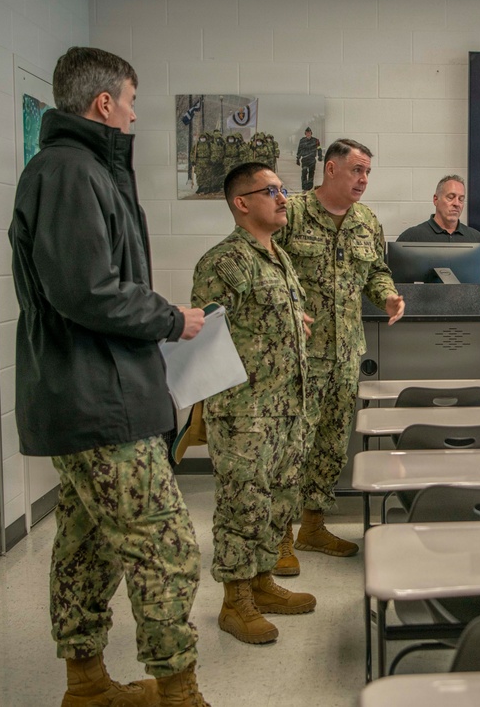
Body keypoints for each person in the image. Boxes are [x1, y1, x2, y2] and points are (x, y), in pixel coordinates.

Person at [8, 47, 210, 706]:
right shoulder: (71, 171)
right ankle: (179, 693)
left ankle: (87, 685)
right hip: (96, 395)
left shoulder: (77, 167)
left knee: (87, 545)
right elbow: (86, 290)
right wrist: (168, 318)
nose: (133, 114)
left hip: (90, 391)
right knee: (164, 546)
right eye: (130, 101)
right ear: (104, 103)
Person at [191, 162, 317, 644]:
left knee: (277, 501)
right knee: (242, 505)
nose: (284, 198)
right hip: (245, 411)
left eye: (283, 189)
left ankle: (263, 583)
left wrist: (294, 322)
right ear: (241, 203)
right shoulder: (225, 262)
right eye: (271, 191)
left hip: (286, 406)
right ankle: (235, 602)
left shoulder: (276, 257)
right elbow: (206, 339)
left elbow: (262, 320)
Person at [276, 139, 405, 564]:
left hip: (345, 354)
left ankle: (312, 527)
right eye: (356, 170)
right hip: (297, 356)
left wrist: (387, 296)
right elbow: (265, 267)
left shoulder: (366, 221)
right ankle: (278, 538)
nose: (363, 180)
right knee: (291, 445)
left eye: (367, 172)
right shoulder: (291, 213)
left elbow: (377, 272)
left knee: (331, 445)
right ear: (330, 169)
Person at [398, 174, 480, 306]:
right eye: (451, 197)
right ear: (436, 199)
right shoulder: (412, 237)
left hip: (467, 314)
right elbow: (387, 279)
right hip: (423, 315)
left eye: (461, 199)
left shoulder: (475, 238)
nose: (456, 204)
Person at [296, 127, 322, 191]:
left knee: (311, 173)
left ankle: (309, 187)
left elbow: (319, 148)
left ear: (311, 133)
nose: (308, 134)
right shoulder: (302, 140)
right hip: (305, 159)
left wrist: (320, 156)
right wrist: (298, 158)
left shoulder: (316, 140)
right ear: (305, 133)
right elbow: (299, 149)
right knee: (304, 172)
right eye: (307, 133)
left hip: (312, 159)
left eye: (309, 133)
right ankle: (304, 186)